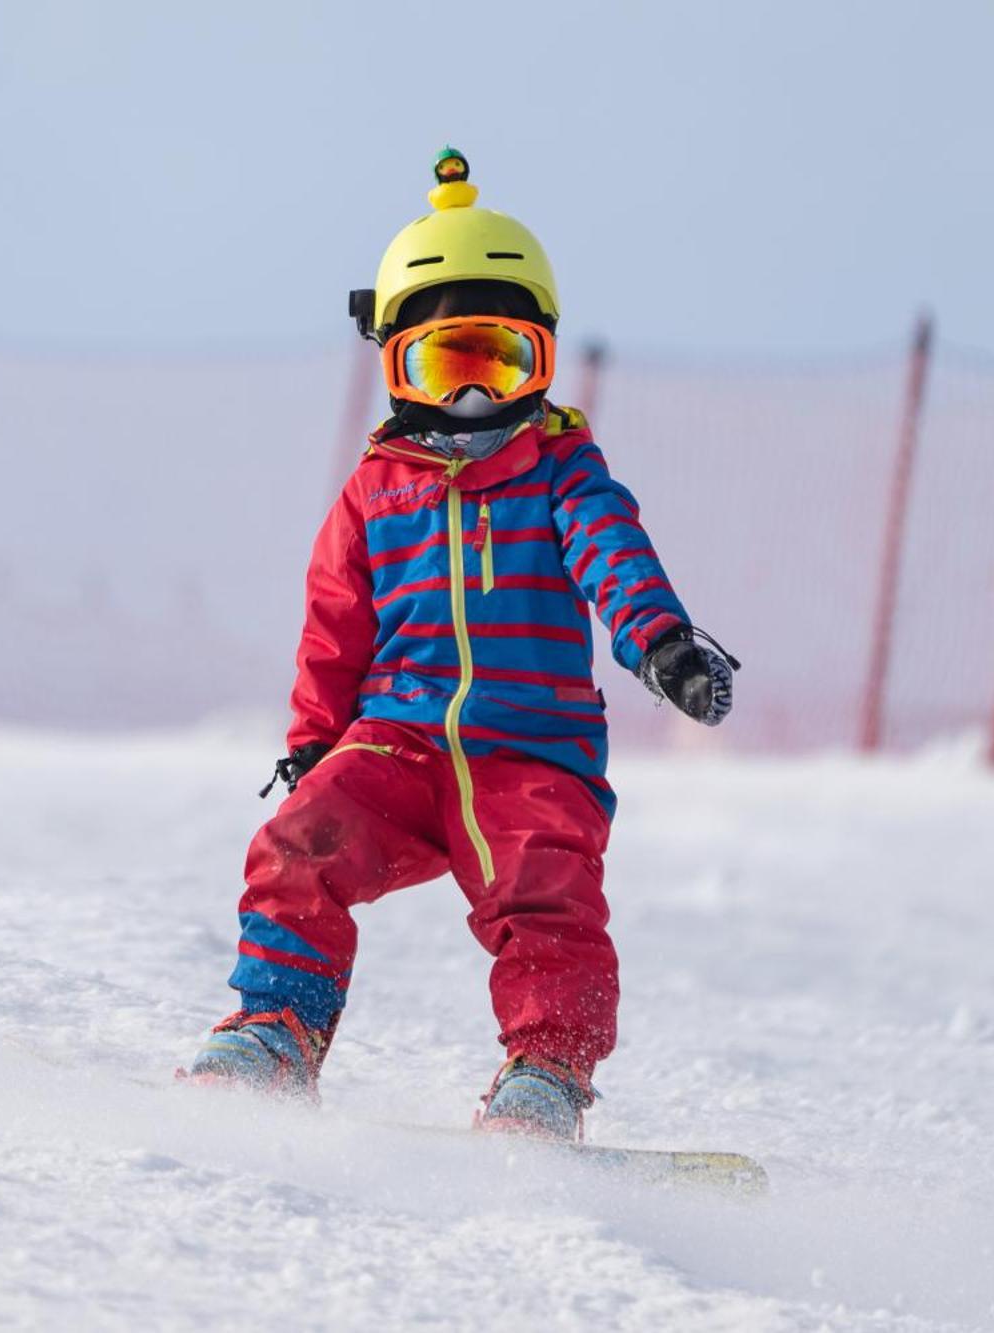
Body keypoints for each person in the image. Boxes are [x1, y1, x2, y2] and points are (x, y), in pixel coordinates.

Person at [184, 147, 737, 1140]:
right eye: (446, 365)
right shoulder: (374, 490)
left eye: (503, 361)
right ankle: (273, 1031)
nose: (476, 400)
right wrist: (316, 742)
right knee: (298, 840)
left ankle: (545, 1075)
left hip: (531, 747)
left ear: (541, 361)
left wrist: (660, 643)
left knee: (546, 889)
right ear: (395, 366)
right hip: (396, 739)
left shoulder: (562, 474)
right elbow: (333, 625)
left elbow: (614, 555)